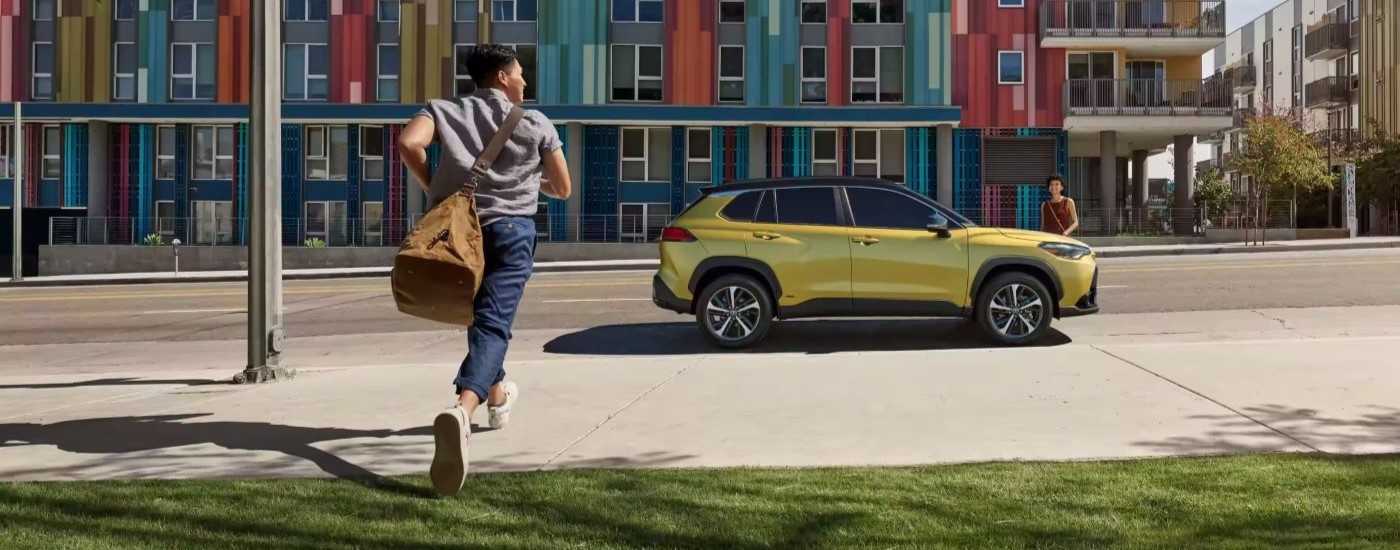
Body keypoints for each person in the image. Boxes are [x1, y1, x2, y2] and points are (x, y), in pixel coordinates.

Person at [396, 44, 572, 497]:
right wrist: (534, 182)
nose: (524, 83)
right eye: (519, 74)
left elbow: (407, 144)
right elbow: (565, 188)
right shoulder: (534, 122)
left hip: (459, 232)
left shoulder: (442, 111)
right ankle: (464, 408)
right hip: (512, 232)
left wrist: (433, 186)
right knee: (494, 322)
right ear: (500, 77)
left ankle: (497, 396)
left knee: (480, 318)